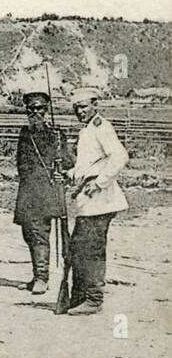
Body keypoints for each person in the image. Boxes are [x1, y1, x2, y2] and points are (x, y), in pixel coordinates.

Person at [64, 88, 128, 315]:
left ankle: (93, 299)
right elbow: (88, 164)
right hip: (89, 199)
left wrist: (100, 183)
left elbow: (120, 156)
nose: (80, 111)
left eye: (84, 106)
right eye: (76, 108)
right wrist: (70, 173)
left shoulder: (102, 126)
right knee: (80, 248)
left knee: (90, 249)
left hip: (100, 199)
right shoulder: (88, 130)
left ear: (95, 105)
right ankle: (81, 297)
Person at [13, 91, 73, 294]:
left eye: (39, 108)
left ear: (46, 111)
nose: (35, 112)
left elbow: (70, 162)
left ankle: (42, 278)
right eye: (31, 109)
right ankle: (36, 275)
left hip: (47, 192)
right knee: (29, 234)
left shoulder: (56, 135)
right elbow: (20, 164)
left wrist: (62, 174)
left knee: (39, 234)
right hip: (28, 192)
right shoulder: (24, 134)